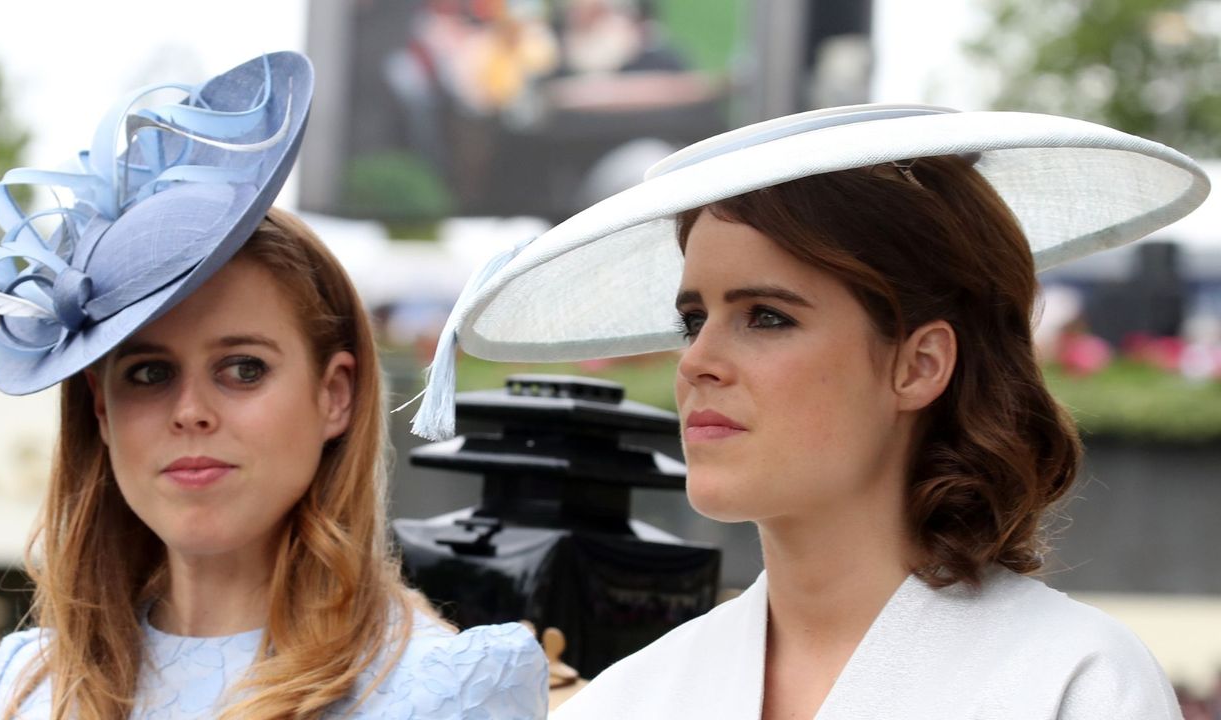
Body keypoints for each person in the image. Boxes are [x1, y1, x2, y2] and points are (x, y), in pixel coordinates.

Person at [406, 104, 1211, 718]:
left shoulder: (1072, 682)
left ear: (918, 363)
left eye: (766, 316)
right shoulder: (636, 699)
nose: (695, 362)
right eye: (695, 319)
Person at [0, 52, 547, 719]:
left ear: (335, 395)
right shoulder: (29, 687)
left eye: (244, 368)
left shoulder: (444, 690)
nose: (190, 412)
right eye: (149, 373)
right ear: (100, 408)